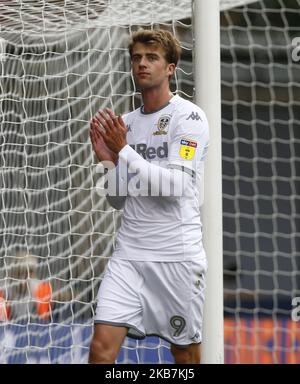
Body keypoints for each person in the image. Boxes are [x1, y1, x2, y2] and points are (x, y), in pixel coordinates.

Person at [89, 28, 209, 364]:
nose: (142, 64)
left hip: (176, 258)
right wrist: (107, 160)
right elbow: (117, 200)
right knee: (100, 347)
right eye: (137, 58)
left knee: (183, 354)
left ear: (170, 68)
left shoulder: (190, 118)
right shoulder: (124, 123)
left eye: (152, 57)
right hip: (129, 256)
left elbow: (175, 188)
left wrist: (123, 150)